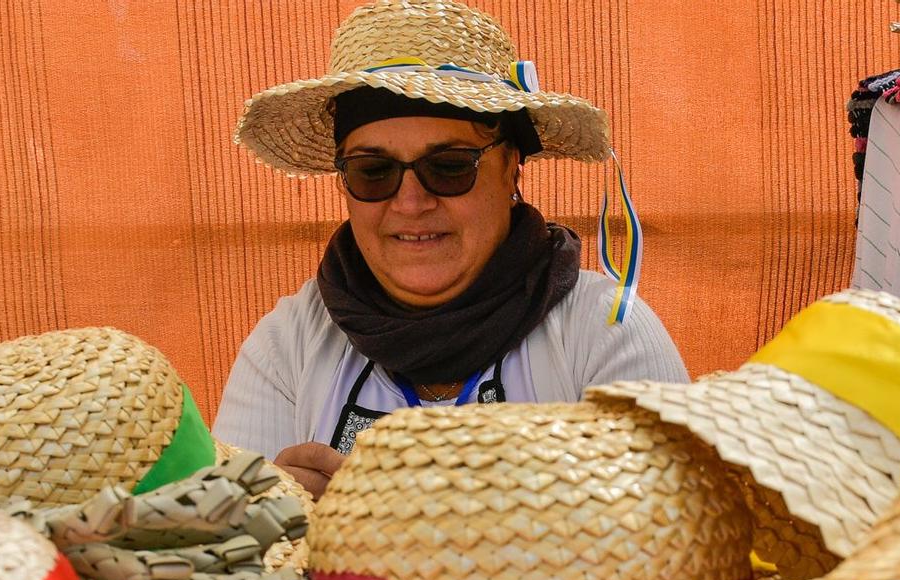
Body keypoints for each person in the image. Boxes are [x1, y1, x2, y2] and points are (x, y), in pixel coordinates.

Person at [217, 0, 687, 498]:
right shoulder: (289, 344)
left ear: (511, 170)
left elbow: (673, 546)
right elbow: (228, 557)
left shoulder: (604, 331)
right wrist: (285, 522)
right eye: (373, 171)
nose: (411, 202)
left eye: (449, 166)